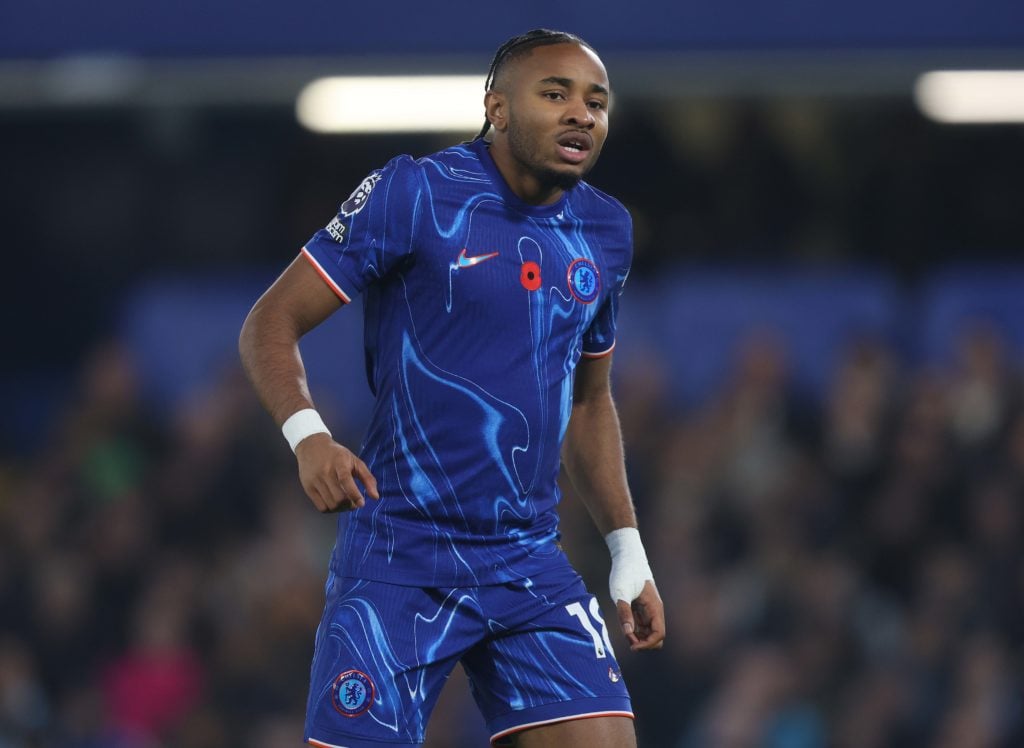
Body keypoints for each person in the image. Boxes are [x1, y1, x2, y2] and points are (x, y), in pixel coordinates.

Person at [239, 28, 665, 748]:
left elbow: (588, 400)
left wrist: (628, 549)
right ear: (497, 108)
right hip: (400, 555)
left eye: (596, 102)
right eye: (554, 94)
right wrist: (308, 436)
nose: (580, 115)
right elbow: (268, 324)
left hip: (525, 558)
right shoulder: (415, 193)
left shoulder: (606, 230)